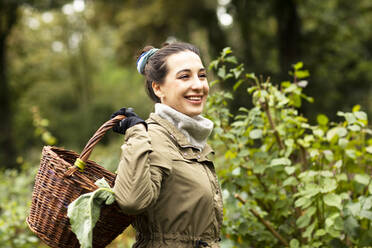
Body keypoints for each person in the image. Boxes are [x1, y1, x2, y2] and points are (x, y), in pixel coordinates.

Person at [111, 42, 223, 248]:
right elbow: (131, 201)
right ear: (158, 87)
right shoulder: (153, 137)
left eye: (202, 75)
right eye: (184, 76)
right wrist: (136, 132)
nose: (198, 85)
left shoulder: (191, 139)